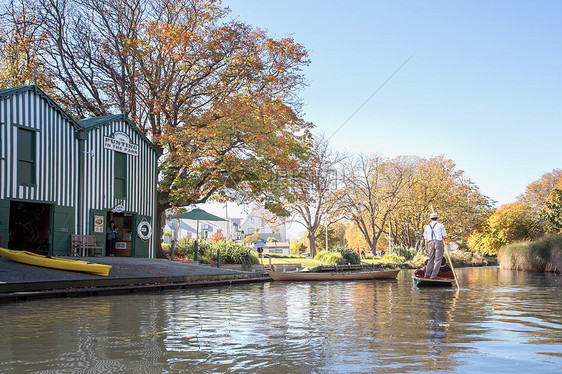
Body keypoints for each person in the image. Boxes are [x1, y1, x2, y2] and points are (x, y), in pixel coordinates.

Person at [423, 212, 447, 279]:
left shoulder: (427, 227)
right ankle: (433, 276)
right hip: (438, 242)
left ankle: (427, 275)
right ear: (437, 218)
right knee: (438, 259)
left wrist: (426, 247)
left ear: (430, 219)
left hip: (430, 243)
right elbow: (444, 236)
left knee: (431, 259)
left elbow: (426, 239)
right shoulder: (441, 225)